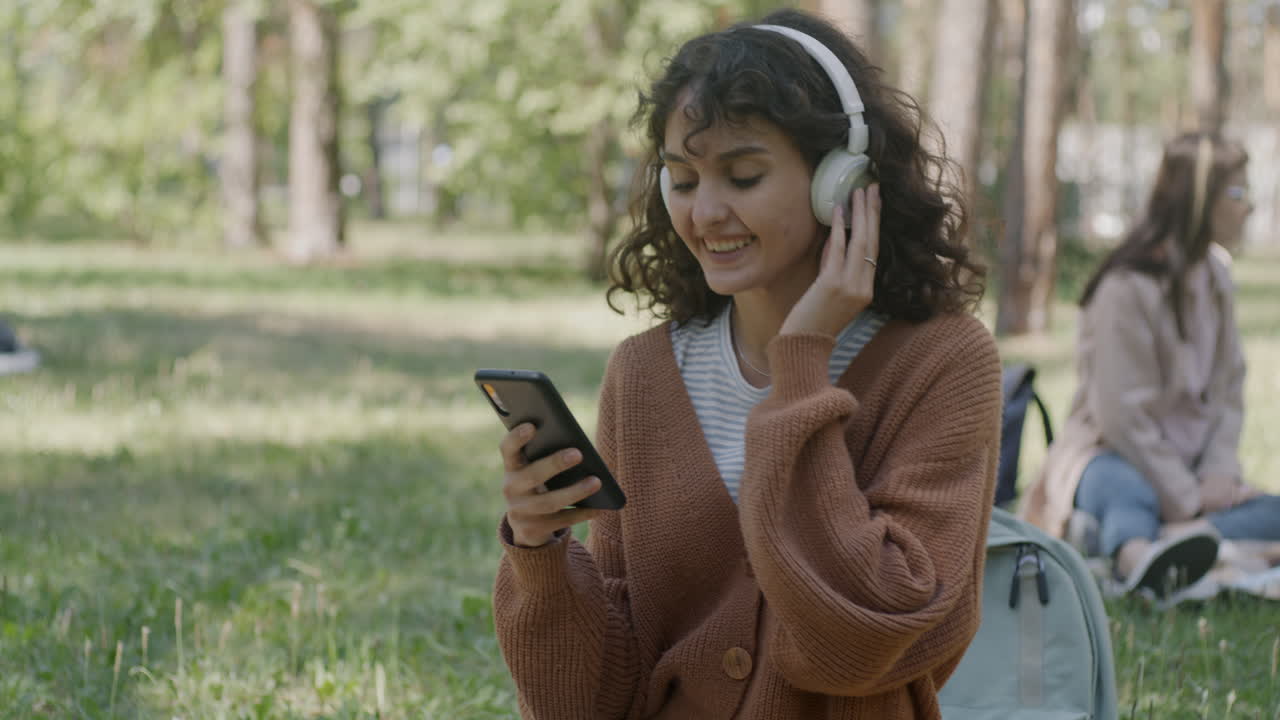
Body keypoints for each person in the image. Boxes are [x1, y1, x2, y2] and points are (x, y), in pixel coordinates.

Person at [490, 9, 1003, 719]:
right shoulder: (642, 376)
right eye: (683, 179)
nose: (705, 212)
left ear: (841, 179)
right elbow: (590, 699)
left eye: (744, 175)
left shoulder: (940, 362)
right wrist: (542, 553)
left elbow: (864, 641)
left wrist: (802, 364)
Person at [1019, 131, 1277, 599]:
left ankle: (1167, 547)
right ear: (1198, 199)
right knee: (1125, 491)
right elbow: (1121, 417)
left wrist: (1218, 471)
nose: (1249, 206)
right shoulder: (1126, 286)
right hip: (1114, 459)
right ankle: (1140, 560)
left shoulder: (1216, 278)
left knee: (1274, 511)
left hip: (1194, 473)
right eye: (1237, 193)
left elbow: (1228, 390)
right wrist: (1186, 497)